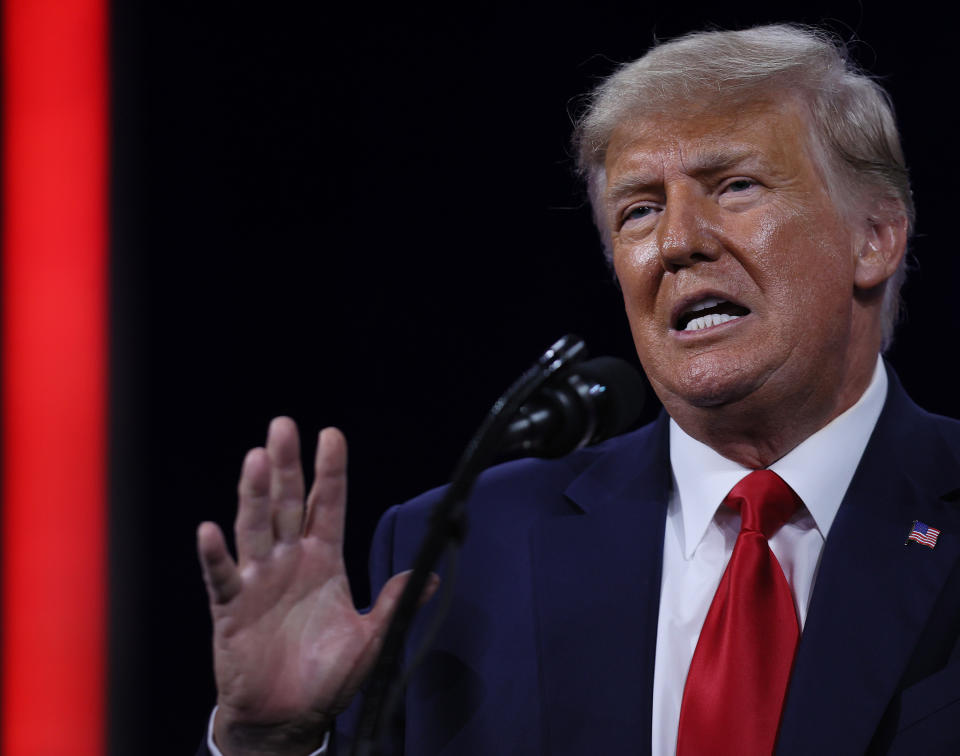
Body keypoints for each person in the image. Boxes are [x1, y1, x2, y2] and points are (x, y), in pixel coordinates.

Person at [196, 24, 960, 756]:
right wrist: (270, 744)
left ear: (875, 238)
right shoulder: (457, 561)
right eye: (640, 209)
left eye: (734, 186)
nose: (678, 241)